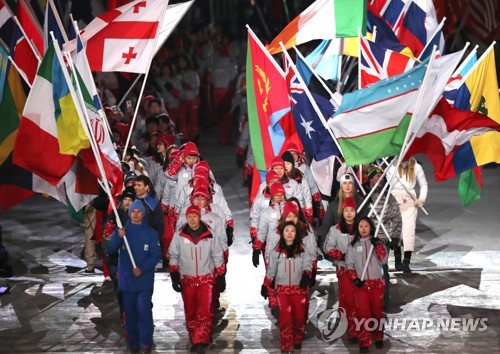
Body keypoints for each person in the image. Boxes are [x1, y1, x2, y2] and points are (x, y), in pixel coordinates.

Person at [168, 205, 226, 354]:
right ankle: (194, 338)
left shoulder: (209, 234)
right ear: (186, 218)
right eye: (189, 217)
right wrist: (174, 274)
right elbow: (173, 254)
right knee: (191, 310)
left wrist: (221, 274)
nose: (192, 219)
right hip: (188, 280)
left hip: (206, 279)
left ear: (199, 217)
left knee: (204, 310)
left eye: (194, 216)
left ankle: (202, 339)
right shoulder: (180, 235)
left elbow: (218, 254)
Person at [107, 200, 162, 354]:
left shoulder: (150, 233)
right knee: (130, 313)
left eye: (138, 212)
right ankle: (133, 342)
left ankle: (145, 343)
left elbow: (155, 255)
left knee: (144, 311)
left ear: (142, 214)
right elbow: (111, 250)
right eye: (133, 211)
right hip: (127, 281)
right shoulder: (122, 232)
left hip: (143, 281)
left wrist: (143, 269)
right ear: (129, 213)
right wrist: (118, 236)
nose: (136, 214)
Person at [262, 221, 312, 353]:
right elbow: (271, 270)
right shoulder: (276, 252)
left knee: (299, 317)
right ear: (282, 233)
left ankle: (297, 339)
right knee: (285, 318)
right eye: (287, 230)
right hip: (282, 290)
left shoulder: (303, 251)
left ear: (296, 234)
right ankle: (285, 344)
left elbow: (307, 265)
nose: (289, 233)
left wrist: (306, 275)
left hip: (298, 289)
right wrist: (265, 285)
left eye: (292, 231)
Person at [346, 217, 388, 353]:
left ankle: (378, 337)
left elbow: (384, 260)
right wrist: (355, 279)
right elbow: (349, 265)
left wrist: (378, 246)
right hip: (361, 286)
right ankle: (364, 342)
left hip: (376, 285)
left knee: (377, 313)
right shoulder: (353, 246)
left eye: (366, 226)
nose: (363, 229)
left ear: (371, 228)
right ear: (357, 229)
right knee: (363, 315)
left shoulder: (377, 243)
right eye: (361, 226)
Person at [323, 196, 359, 342]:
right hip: (343, 270)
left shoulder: (361, 228)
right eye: (346, 210)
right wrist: (341, 255)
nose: (349, 213)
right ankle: (352, 330)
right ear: (342, 212)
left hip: (359, 270)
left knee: (345, 298)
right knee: (350, 299)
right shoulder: (335, 229)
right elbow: (327, 247)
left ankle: (346, 323)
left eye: (352, 210)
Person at [366, 165, 402, 309]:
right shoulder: (365, 197)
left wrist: (395, 237)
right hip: (367, 240)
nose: (379, 179)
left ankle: (383, 301)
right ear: (370, 179)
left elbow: (397, 218)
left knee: (383, 269)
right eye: (376, 176)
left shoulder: (389, 198)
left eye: (381, 177)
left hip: (383, 240)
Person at [386, 157, 428, 273]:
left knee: (408, 231)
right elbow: (388, 182)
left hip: (410, 201)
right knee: (395, 230)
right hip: (394, 200)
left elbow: (423, 185)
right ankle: (397, 258)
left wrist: (421, 199)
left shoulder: (416, 166)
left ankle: (406, 261)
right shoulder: (391, 165)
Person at [320, 173, 367, 246]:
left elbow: (366, 222)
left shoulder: (361, 203)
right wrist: (324, 245)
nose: (347, 186)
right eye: (344, 183)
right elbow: (326, 226)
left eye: (350, 183)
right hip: (338, 243)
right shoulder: (333, 205)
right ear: (341, 186)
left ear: (353, 185)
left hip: (356, 242)